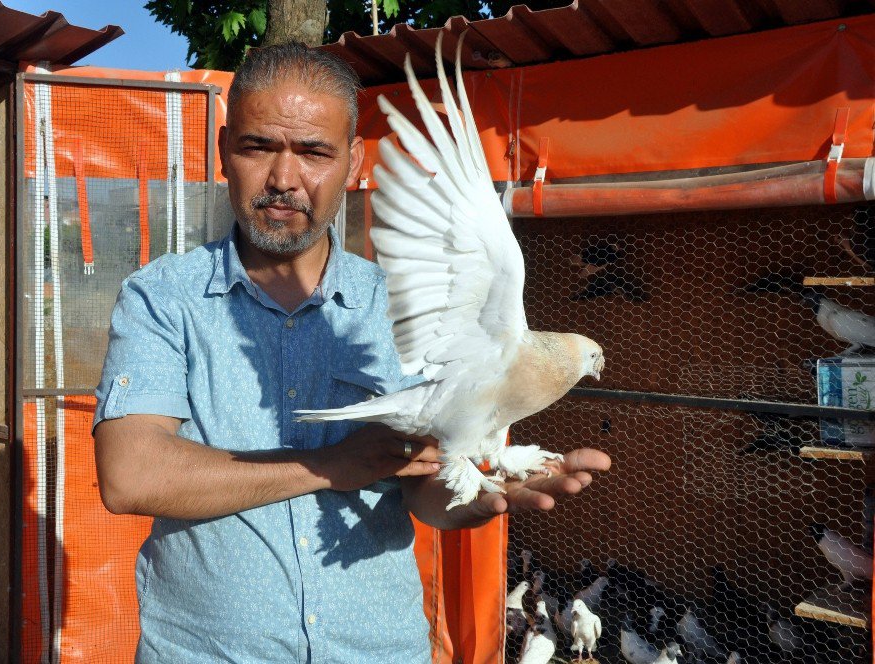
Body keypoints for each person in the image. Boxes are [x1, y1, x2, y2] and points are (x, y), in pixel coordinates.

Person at [93, 42, 611, 663]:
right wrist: (337, 465)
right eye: (260, 147)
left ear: (353, 162)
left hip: (375, 649)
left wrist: (481, 495)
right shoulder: (163, 298)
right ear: (224, 150)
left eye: (313, 152)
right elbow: (130, 477)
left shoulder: (389, 304)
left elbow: (422, 492)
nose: (284, 180)